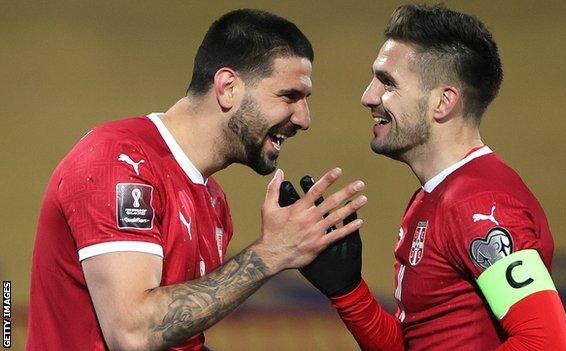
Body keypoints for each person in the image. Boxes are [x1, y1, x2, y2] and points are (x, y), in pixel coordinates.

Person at [26, 9, 367, 351]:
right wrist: (271, 254)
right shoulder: (119, 161)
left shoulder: (213, 202)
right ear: (228, 87)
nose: (304, 119)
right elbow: (133, 333)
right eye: (289, 96)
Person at [295, 4, 566, 350]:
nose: (368, 97)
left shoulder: (479, 206)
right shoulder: (434, 198)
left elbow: (546, 343)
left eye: (387, 83)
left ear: (443, 102)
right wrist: (348, 291)